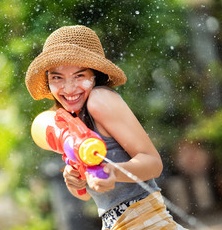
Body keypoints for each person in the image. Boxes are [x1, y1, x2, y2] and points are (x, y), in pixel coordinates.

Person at [26, 25, 186, 230]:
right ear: (48, 81)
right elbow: (86, 195)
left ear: (96, 75)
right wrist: (76, 182)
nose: (68, 88)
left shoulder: (99, 100)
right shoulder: (70, 123)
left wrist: (112, 171)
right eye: (57, 77)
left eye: (79, 76)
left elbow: (153, 163)